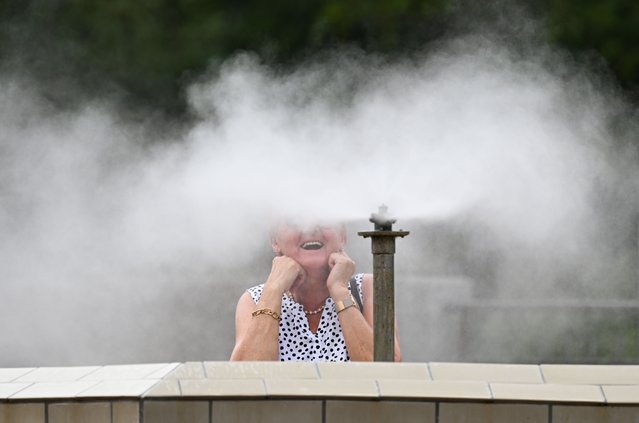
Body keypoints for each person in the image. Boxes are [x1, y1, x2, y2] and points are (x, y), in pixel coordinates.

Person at [230, 220, 401, 361]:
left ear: (342, 236)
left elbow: (388, 373)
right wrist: (273, 290)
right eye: (295, 220)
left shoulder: (368, 288)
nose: (311, 228)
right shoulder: (254, 299)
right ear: (275, 241)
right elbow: (243, 377)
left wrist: (339, 290)